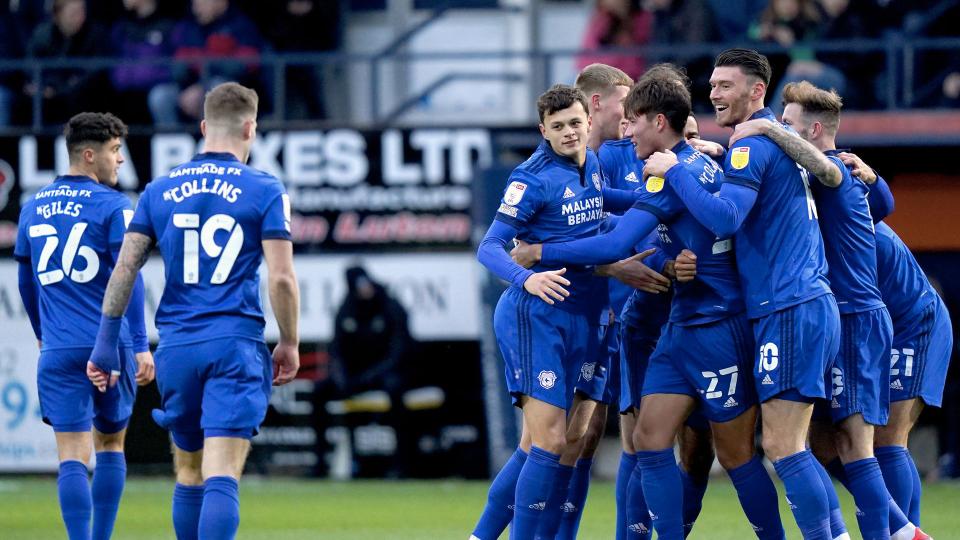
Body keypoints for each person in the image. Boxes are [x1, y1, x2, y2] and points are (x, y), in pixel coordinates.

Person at [512, 73, 785, 540]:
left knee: (736, 455)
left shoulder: (674, 172)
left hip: (720, 327)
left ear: (659, 122)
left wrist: (540, 252)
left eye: (634, 121)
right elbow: (639, 213)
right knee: (647, 440)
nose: (626, 130)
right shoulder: (690, 165)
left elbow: (616, 242)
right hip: (679, 326)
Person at [87, 82, 300, 540]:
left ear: (204, 127)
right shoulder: (264, 188)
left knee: (188, 472)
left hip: (178, 349)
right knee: (222, 471)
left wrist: (106, 346)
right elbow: (281, 277)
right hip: (234, 344)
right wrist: (290, 340)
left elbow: (124, 268)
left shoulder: (158, 189)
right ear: (250, 128)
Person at [727, 80, 933, 540]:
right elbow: (885, 202)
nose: (779, 128)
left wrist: (764, 130)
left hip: (859, 318)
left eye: (789, 124)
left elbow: (829, 169)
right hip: (838, 317)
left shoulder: (835, 169)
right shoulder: (824, 176)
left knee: (860, 448)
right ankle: (904, 533)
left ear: (814, 130)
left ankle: (902, 535)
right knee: (823, 445)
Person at [655, 48, 840, 539]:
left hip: (787, 306)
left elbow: (725, 218)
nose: (713, 93)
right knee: (798, 443)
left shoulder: (751, 146)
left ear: (757, 91)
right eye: (711, 85)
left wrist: (675, 169)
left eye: (725, 85)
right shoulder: (772, 143)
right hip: (803, 302)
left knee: (784, 446)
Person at [472, 84, 653, 540]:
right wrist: (526, 277)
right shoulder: (530, 178)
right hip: (539, 316)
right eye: (558, 127)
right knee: (550, 442)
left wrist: (665, 194)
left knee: (556, 443)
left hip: (587, 316)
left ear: (588, 122)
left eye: (575, 123)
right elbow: (490, 246)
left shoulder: (590, 164)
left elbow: (602, 205)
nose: (570, 133)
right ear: (543, 131)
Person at [14, 112, 154, 540]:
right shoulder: (114, 206)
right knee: (110, 445)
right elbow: (127, 274)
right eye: (115, 151)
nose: (121, 161)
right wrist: (142, 344)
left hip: (57, 350)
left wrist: (43, 333)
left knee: (71, 457)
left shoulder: (32, 207)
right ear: (89, 155)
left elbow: (26, 280)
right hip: (109, 347)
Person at [312, 263, 414, 477]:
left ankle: (402, 464)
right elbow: (336, 350)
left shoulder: (390, 306)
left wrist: (370, 377)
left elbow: (399, 351)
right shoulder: (346, 309)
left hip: (383, 374)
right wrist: (341, 377)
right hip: (355, 377)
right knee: (319, 390)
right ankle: (320, 464)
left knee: (395, 390)